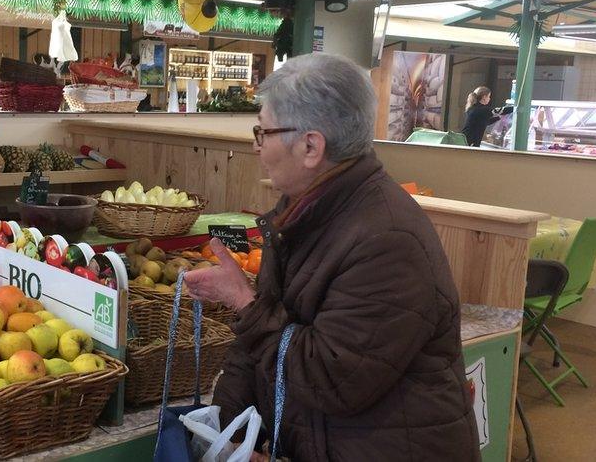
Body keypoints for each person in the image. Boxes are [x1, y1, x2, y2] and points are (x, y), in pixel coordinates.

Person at [184, 53, 479, 462]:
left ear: (310, 146)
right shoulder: (303, 210)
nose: (257, 147)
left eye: (262, 132)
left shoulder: (387, 240)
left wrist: (242, 301)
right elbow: (258, 342)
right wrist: (228, 431)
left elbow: (332, 378)